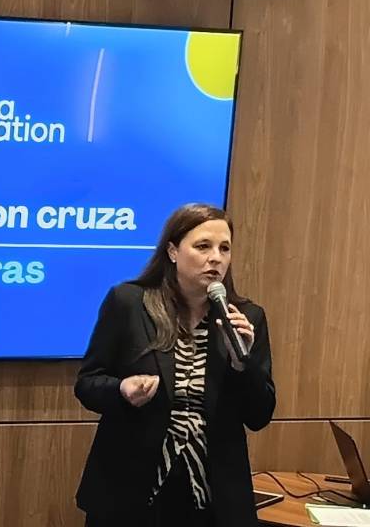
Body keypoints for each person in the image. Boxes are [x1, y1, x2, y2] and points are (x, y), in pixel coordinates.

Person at [74, 203, 276, 527]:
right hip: (130, 488)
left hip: (211, 494)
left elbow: (259, 415)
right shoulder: (129, 303)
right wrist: (122, 390)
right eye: (203, 246)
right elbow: (88, 383)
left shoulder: (246, 318)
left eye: (224, 248)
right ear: (172, 252)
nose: (216, 258)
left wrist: (243, 364)